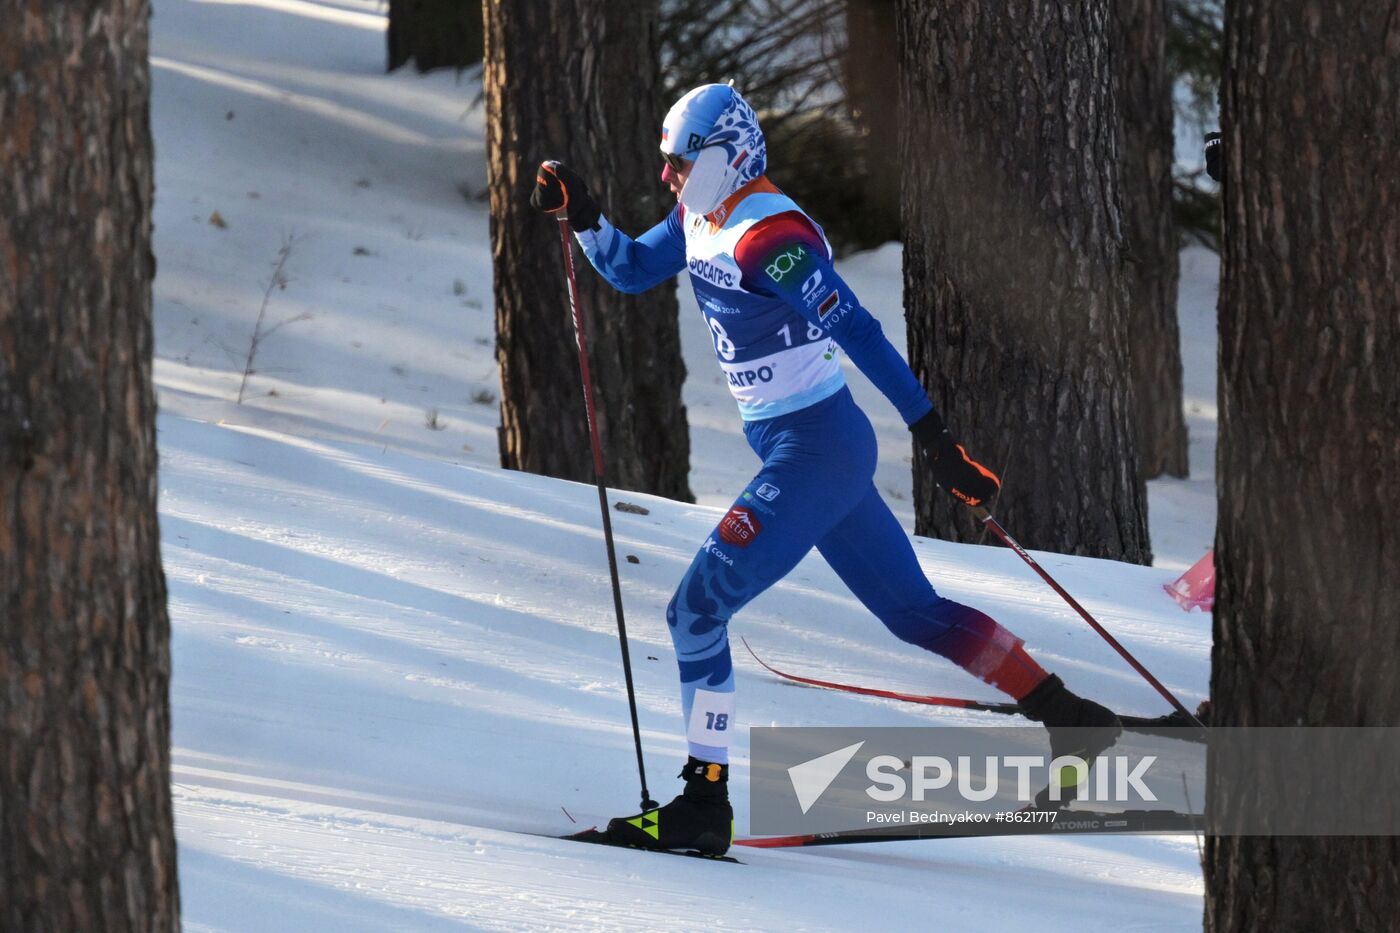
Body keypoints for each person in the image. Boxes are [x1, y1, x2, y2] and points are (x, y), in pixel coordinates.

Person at [531, 84, 1120, 856]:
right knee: (915, 614)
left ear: (722, 157)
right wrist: (585, 218)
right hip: (808, 449)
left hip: (817, 451)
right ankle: (1074, 720)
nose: (667, 176)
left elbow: (865, 332)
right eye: (665, 162)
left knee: (695, 612)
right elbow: (636, 270)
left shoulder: (766, 239)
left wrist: (936, 440)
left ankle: (702, 805)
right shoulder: (701, 215)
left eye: (678, 163)